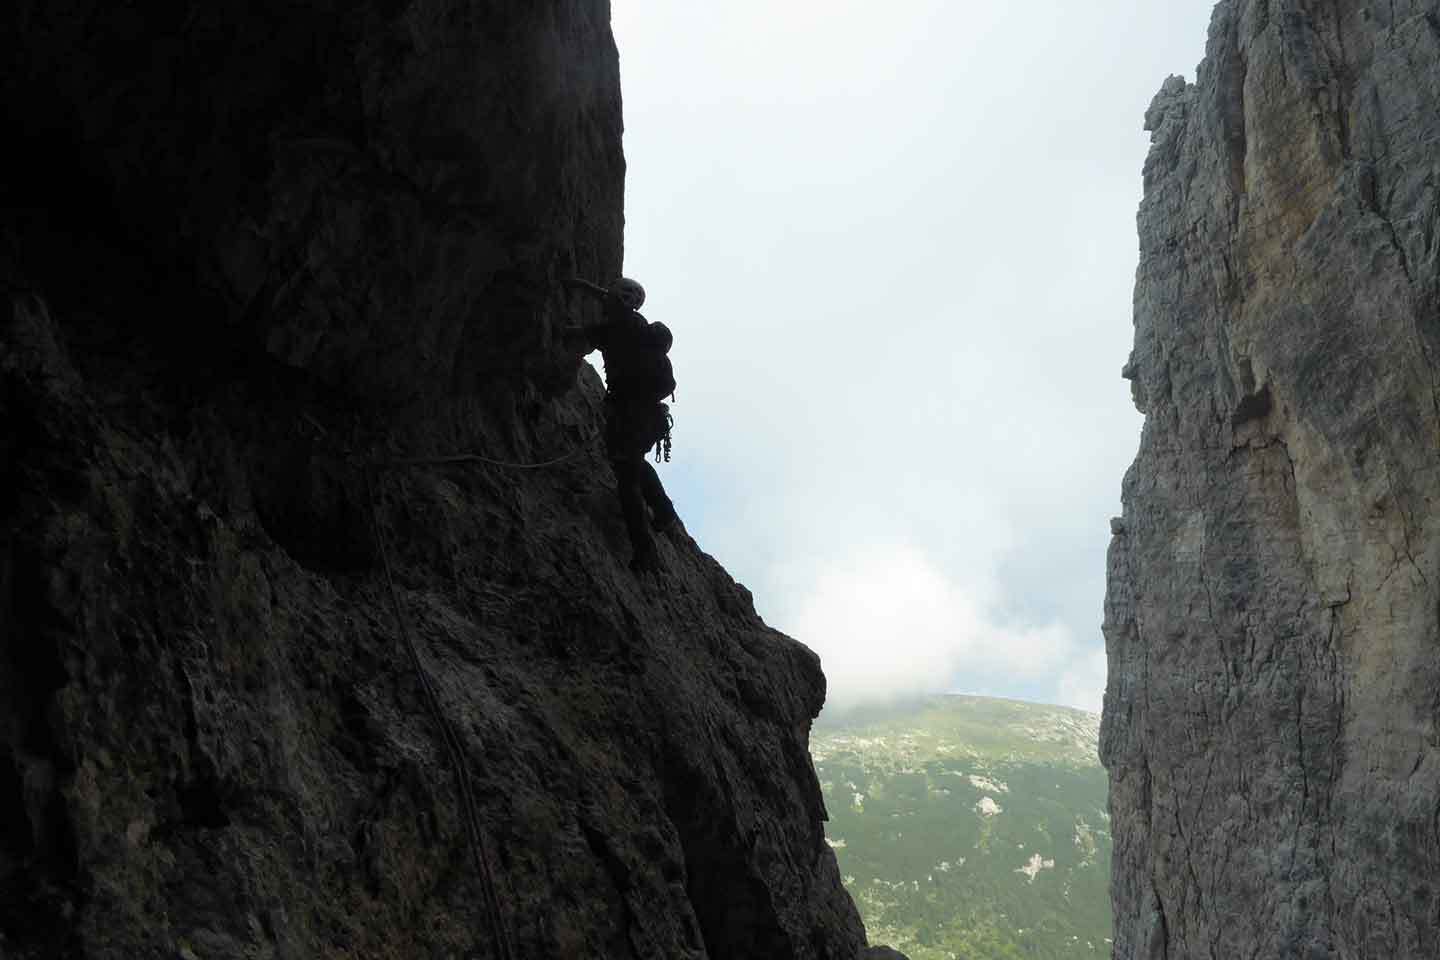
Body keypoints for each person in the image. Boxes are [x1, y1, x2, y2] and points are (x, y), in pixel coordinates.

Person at [567, 277, 680, 572]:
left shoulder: (619, 326)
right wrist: (581, 285)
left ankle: (645, 552)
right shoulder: (638, 327)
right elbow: (604, 296)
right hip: (650, 418)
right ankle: (665, 512)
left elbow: (581, 334)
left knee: (627, 481)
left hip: (630, 415)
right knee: (632, 462)